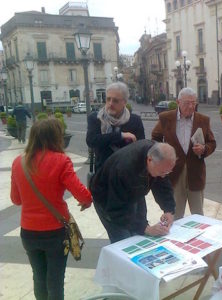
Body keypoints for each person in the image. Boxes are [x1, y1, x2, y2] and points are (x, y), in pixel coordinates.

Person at [10, 119, 92, 300]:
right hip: (55, 232)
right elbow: (84, 195)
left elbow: (15, 200)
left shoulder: (18, 162)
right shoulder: (61, 161)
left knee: (39, 277)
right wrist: (86, 202)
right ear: (56, 137)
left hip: (28, 232)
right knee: (55, 280)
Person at [90, 140, 176, 243]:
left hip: (134, 191)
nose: (164, 175)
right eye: (162, 172)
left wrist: (169, 209)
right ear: (149, 160)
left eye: (168, 172)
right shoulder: (125, 169)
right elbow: (116, 210)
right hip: (108, 199)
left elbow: (162, 184)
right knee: (124, 241)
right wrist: (146, 228)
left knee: (139, 236)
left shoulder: (158, 158)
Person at [152, 87, 216, 219]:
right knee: (175, 215)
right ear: (178, 102)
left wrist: (204, 149)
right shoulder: (166, 118)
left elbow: (212, 143)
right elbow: (155, 138)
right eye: (187, 103)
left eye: (194, 103)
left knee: (198, 215)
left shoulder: (203, 120)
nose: (191, 106)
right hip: (173, 173)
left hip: (196, 172)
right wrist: (162, 156)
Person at [86, 82, 145, 172]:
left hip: (127, 174)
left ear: (124, 102)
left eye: (115, 100)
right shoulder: (96, 118)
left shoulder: (134, 120)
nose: (110, 103)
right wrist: (120, 136)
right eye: (108, 99)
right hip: (103, 174)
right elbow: (91, 140)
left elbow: (141, 147)